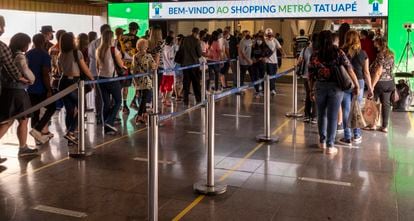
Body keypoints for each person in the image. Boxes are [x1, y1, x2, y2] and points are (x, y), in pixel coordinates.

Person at [308, 30, 359, 155]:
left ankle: (322, 141)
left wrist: (311, 90)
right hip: (336, 88)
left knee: (321, 115)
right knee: (332, 116)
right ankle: (330, 145)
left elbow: (311, 75)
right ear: (331, 40)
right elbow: (349, 69)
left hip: (319, 87)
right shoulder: (338, 52)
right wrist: (356, 84)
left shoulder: (315, 55)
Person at [0, 32, 38, 158]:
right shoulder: (19, 56)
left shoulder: (7, 54)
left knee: (7, 121)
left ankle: (23, 148)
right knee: (23, 120)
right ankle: (23, 148)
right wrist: (32, 79)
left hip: (6, 90)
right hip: (18, 92)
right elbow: (25, 70)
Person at [58, 33, 94, 145]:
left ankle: (70, 135)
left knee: (69, 110)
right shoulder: (76, 53)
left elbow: (59, 71)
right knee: (82, 108)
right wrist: (92, 79)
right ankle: (71, 132)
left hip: (63, 82)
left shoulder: (61, 54)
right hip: (73, 82)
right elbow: (85, 68)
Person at [339, 30, 374, 145]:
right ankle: (357, 135)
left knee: (346, 110)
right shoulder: (363, 54)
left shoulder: (341, 52)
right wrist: (370, 88)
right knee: (356, 109)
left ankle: (347, 137)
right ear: (358, 39)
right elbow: (366, 72)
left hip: (345, 82)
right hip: (359, 82)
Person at [27, 34, 55, 145]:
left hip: (30, 87)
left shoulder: (28, 54)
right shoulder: (44, 55)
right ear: (44, 42)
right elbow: (45, 74)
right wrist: (49, 89)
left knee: (35, 111)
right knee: (52, 107)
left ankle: (37, 137)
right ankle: (37, 129)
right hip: (41, 87)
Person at [96, 30, 125, 135]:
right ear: (111, 38)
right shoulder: (114, 50)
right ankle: (109, 122)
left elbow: (97, 65)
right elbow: (121, 65)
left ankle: (106, 126)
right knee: (118, 101)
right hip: (112, 79)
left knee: (106, 103)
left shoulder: (99, 49)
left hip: (101, 78)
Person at [370, 37, 395, 133]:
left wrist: (372, 85)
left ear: (379, 43)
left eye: (375, 42)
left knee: (373, 102)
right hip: (389, 82)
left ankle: (373, 124)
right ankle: (384, 126)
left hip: (380, 82)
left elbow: (378, 72)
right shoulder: (392, 54)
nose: (374, 44)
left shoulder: (381, 54)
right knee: (386, 104)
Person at [88, 24, 111, 124]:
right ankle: (104, 115)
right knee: (106, 94)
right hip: (105, 71)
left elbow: (90, 56)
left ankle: (99, 115)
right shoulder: (108, 43)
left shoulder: (93, 43)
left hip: (94, 70)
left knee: (99, 94)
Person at [131, 39, 156, 125]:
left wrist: (135, 82)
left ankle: (144, 115)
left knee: (142, 97)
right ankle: (139, 116)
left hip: (138, 80)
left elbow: (133, 70)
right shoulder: (148, 56)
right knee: (144, 98)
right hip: (146, 80)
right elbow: (154, 66)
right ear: (145, 46)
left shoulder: (135, 56)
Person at [119, 22, 140, 113]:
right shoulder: (137, 39)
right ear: (135, 30)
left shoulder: (121, 37)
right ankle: (134, 101)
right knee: (138, 84)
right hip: (133, 64)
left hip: (122, 65)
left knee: (124, 86)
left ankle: (124, 105)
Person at [298, 33, 318, 124]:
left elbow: (300, 61)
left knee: (308, 94)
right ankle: (314, 116)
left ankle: (307, 115)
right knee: (315, 96)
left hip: (306, 76)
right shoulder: (320, 50)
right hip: (317, 77)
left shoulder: (305, 49)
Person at [181, 27, 202, 105]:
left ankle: (185, 100)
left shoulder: (185, 39)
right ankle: (198, 98)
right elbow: (199, 54)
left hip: (185, 65)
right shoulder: (197, 41)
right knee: (196, 83)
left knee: (186, 83)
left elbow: (181, 50)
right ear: (197, 33)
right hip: (194, 64)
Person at [264, 28, 284, 95]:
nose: (269, 35)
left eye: (270, 34)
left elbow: (280, 47)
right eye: (268, 34)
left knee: (274, 76)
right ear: (266, 34)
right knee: (270, 75)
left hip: (274, 61)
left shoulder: (275, 40)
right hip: (267, 61)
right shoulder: (264, 41)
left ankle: (271, 88)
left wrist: (283, 53)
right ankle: (272, 89)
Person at [251, 34, 270, 98]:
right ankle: (257, 91)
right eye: (258, 39)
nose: (259, 41)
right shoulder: (253, 46)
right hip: (255, 64)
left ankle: (263, 91)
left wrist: (264, 58)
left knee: (262, 77)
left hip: (262, 64)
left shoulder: (265, 46)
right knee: (255, 77)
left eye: (260, 40)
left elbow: (270, 52)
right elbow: (251, 54)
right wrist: (252, 58)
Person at [161, 36, 176, 106]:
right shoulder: (170, 48)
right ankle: (167, 100)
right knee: (169, 87)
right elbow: (171, 58)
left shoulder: (163, 47)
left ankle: (163, 99)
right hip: (170, 70)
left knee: (163, 85)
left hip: (164, 69)